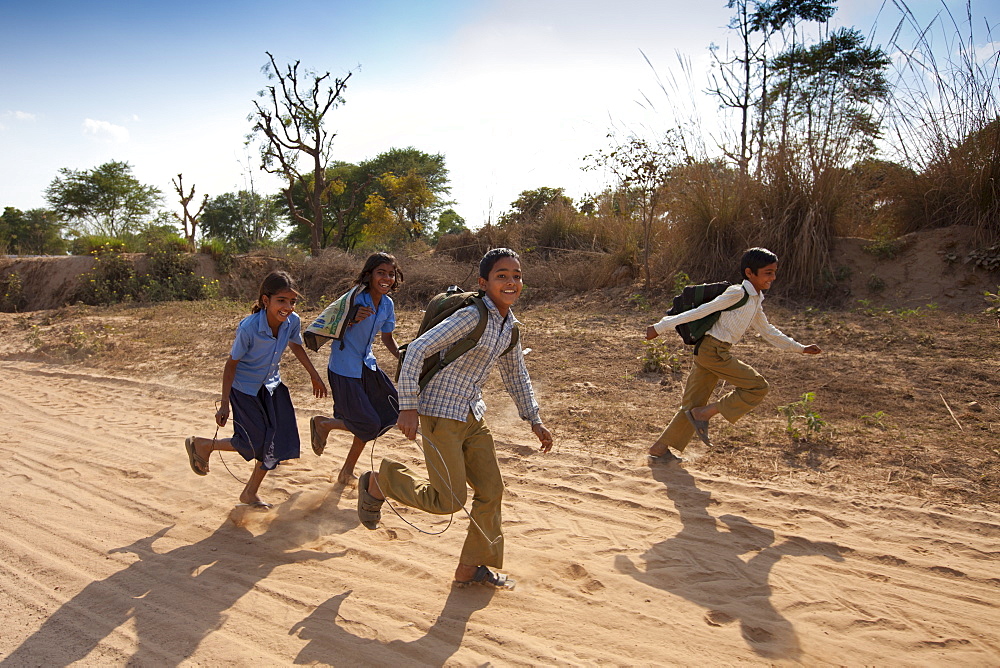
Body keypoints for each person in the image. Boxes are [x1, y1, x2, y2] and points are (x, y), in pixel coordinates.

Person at [358, 247, 553, 589]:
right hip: (438, 413)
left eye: (516, 276)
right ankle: (381, 482)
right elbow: (417, 349)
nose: (511, 282)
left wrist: (534, 419)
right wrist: (408, 406)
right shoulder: (471, 316)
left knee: (492, 490)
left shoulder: (509, 327)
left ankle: (471, 567)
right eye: (502, 276)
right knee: (448, 500)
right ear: (484, 282)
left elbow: (515, 374)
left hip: (471, 413)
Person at [645, 247, 822, 462]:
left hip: (710, 352)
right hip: (713, 352)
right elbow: (702, 311)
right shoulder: (738, 293)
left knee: (691, 405)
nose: (773, 277)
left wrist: (800, 348)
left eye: (774, 272)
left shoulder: (755, 299)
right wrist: (660, 327)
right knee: (758, 386)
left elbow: (767, 330)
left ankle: (660, 448)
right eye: (768, 272)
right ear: (750, 273)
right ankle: (704, 414)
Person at [184, 270, 327, 507]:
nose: (288, 307)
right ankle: (204, 445)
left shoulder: (292, 321)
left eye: (292, 301)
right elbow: (231, 365)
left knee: (277, 442)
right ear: (265, 300)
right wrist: (225, 403)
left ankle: (249, 493)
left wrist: (314, 376)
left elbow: (296, 346)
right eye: (281, 301)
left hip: (272, 386)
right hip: (245, 390)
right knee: (254, 442)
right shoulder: (249, 328)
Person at [309, 252, 401, 485]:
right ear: (369, 275)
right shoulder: (354, 298)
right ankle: (324, 424)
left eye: (391, 274)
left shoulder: (387, 304)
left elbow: (387, 337)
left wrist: (403, 357)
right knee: (368, 423)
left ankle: (345, 472)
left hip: (366, 366)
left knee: (388, 414)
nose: (387, 278)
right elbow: (327, 322)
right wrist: (350, 318)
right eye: (381, 273)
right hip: (344, 368)